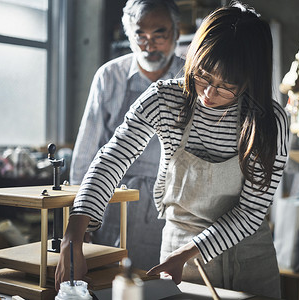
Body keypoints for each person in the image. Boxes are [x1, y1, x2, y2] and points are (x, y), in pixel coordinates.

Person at [57, 2, 289, 298]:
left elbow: (251, 211)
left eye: (225, 85)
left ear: (250, 79)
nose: (207, 93)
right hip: (178, 251)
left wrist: (193, 251)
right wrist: (74, 233)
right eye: (203, 75)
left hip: (248, 258)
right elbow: (112, 158)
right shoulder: (164, 99)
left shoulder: (269, 121)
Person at [69, 0, 185, 271]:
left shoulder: (190, 77)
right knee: (108, 281)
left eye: (159, 34)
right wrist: (77, 220)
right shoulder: (109, 76)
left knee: (159, 284)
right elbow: (86, 152)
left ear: (176, 33)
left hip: (168, 205)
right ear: (128, 35)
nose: (149, 45)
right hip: (111, 200)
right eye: (140, 36)